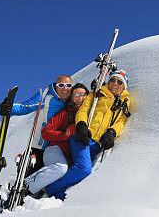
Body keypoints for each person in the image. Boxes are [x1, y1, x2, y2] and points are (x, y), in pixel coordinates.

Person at [44, 70, 131, 200]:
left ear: (124, 86)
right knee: (84, 169)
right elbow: (83, 110)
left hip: (97, 143)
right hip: (81, 137)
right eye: (113, 79)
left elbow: (121, 121)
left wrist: (112, 132)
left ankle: (58, 197)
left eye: (120, 82)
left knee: (81, 173)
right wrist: (81, 126)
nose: (115, 84)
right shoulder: (97, 93)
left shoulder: (124, 101)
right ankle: (49, 189)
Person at [22, 83, 89, 198]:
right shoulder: (65, 114)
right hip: (54, 150)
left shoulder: (89, 114)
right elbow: (46, 132)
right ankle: (25, 185)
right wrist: (63, 135)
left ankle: (31, 196)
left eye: (83, 94)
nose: (80, 98)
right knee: (61, 168)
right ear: (71, 97)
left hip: (67, 157)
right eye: (76, 94)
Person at [0, 74, 73, 172]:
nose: (65, 88)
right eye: (61, 85)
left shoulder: (70, 101)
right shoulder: (45, 97)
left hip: (57, 148)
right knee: (28, 179)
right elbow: (25, 106)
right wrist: (8, 108)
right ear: (55, 86)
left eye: (68, 86)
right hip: (38, 147)